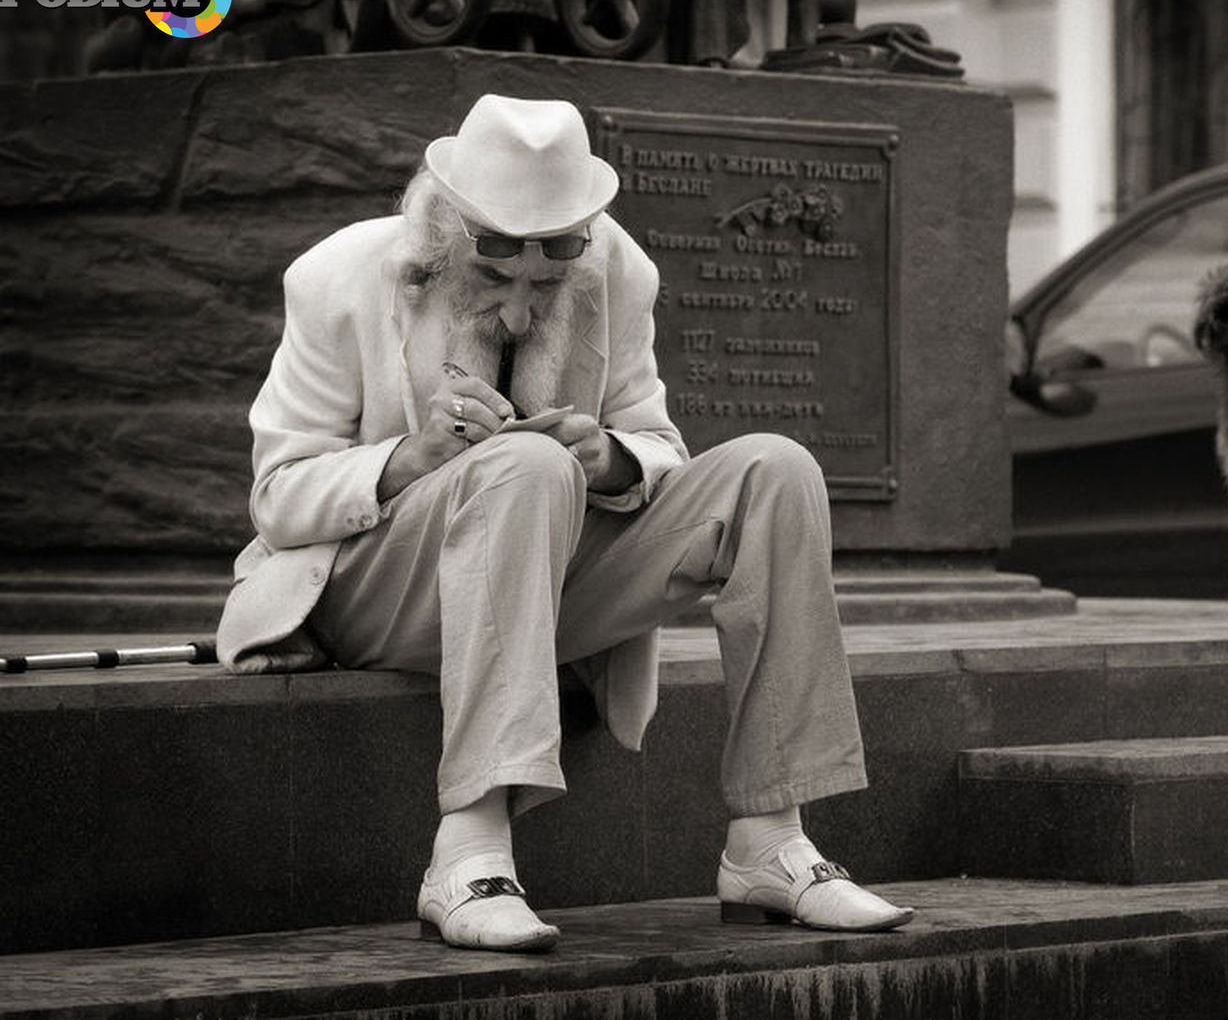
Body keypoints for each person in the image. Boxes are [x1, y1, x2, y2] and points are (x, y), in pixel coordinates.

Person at [215, 93, 912, 952]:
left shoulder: (616, 269)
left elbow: (658, 444)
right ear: (443, 237)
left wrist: (611, 457)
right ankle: (468, 853)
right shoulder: (339, 276)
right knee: (523, 464)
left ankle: (770, 840)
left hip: (545, 587)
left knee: (775, 469)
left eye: (545, 282)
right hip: (370, 595)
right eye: (496, 276)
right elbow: (276, 497)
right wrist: (414, 457)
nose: (519, 308)